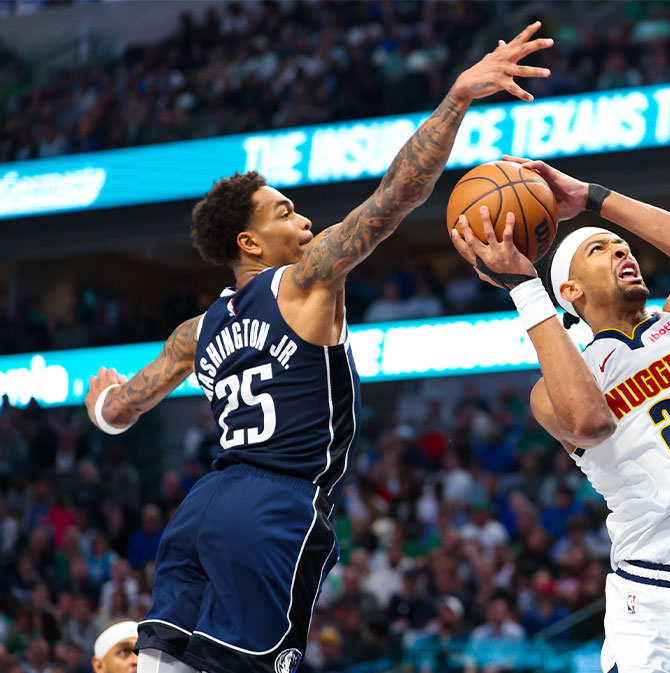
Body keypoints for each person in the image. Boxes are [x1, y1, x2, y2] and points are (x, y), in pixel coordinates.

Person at [81, 24, 553, 673]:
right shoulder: (305, 281)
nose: (304, 220)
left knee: (167, 665)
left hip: (200, 509)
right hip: (274, 507)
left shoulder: (196, 331)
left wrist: (100, 402)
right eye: (285, 211)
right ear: (250, 243)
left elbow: (120, 410)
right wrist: (458, 98)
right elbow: (396, 198)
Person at [448, 157, 670, 672]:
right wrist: (523, 286)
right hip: (657, 606)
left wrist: (592, 198)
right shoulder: (558, 389)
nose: (619, 251)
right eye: (599, 248)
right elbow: (590, 422)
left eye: (622, 247)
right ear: (570, 292)